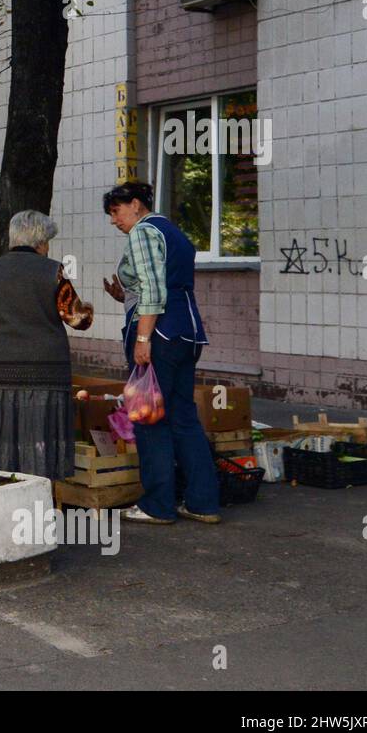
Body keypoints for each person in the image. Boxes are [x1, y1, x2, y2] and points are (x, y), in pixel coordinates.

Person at [102, 181, 220, 525]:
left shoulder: (142, 232)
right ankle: (203, 502)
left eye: (116, 211)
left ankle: (157, 505)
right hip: (189, 332)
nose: (114, 220)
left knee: (148, 416)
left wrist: (142, 338)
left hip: (158, 333)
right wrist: (122, 295)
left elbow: (154, 289)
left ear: (136, 205)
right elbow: (165, 281)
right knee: (184, 417)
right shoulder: (174, 232)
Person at [0, 210, 93, 480]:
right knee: (40, 433)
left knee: (4, 435)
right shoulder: (52, 270)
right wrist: (89, 309)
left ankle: (2, 487)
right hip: (45, 369)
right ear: (39, 241)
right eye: (47, 240)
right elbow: (77, 319)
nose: (48, 247)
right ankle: (39, 494)